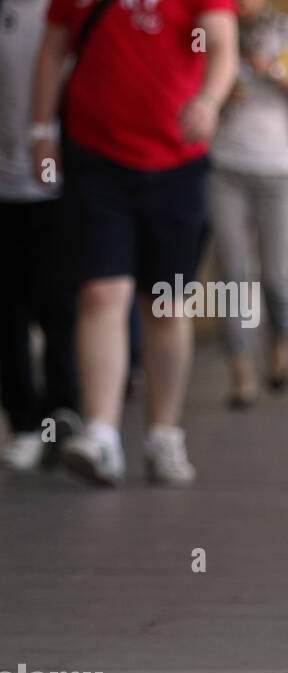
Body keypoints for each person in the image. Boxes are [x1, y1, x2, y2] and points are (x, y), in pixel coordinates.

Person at [30, 0, 239, 486]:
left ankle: (163, 433)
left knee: (165, 304)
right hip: (95, 157)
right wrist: (41, 130)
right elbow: (53, 49)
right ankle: (101, 432)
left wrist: (209, 98)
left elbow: (221, 44)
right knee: (101, 292)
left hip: (177, 160)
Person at [209, 0, 288, 408]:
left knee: (276, 274)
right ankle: (240, 369)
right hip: (225, 168)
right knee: (231, 274)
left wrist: (272, 69)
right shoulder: (213, 27)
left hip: (283, 171)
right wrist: (221, 94)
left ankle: (280, 340)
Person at [1, 0, 79, 471]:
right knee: (6, 311)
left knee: (60, 305)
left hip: (63, 183)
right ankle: (26, 423)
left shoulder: (71, 7)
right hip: (5, 185)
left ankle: (63, 411)